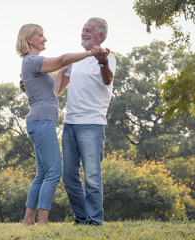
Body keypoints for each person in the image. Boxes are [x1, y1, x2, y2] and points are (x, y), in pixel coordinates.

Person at [16, 23, 93, 225]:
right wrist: (88, 54)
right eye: (40, 35)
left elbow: (57, 79)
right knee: (54, 172)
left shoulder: (33, 64)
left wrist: (67, 67)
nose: (45, 39)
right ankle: (43, 223)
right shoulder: (33, 61)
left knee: (42, 172)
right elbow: (61, 60)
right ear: (29, 40)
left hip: (40, 121)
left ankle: (28, 220)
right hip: (41, 122)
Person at [55, 17, 116, 226]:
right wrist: (34, 83)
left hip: (92, 125)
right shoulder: (77, 59)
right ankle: (81, 219)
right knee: (69, 178)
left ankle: (95, 221)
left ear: (99, 35)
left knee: (92, 177)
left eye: (88, 30)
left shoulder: (109, 58)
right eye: (82, 29)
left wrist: (102, 61)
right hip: (70, 123)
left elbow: (107, 79)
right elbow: (58, 87)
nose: (83, 32)